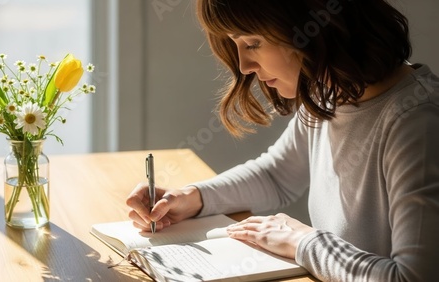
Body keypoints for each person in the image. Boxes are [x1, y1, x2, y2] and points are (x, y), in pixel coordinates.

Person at [126, 0, 439, 281]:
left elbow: (412, 277)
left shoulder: (416, 123)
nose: (244, 66)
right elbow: (276, 175)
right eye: (236, 45)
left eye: (253, 43)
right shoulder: (328, 91)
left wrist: (303, 242)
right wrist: (191, 198)